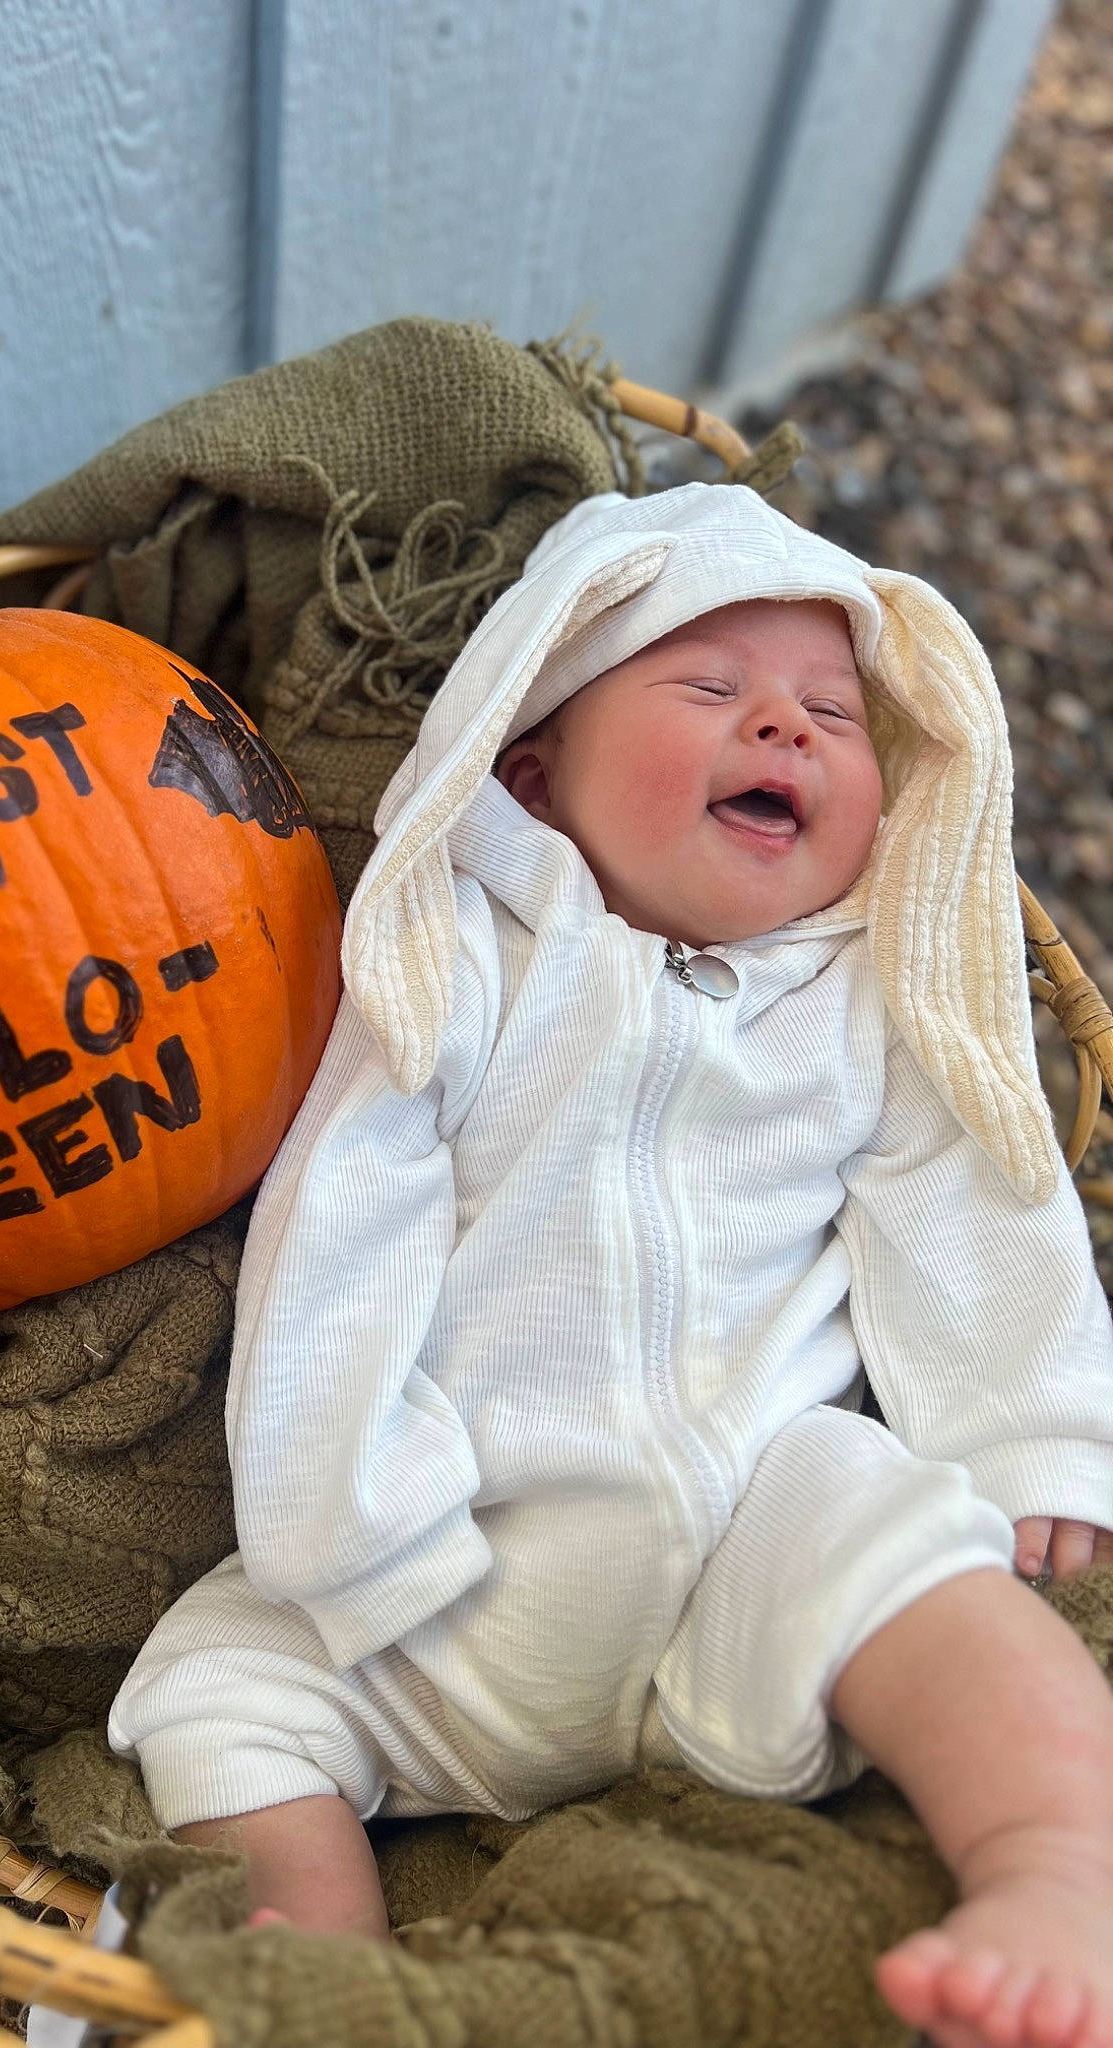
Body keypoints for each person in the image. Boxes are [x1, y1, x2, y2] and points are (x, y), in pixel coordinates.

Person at [108, 483, 1113, 2048]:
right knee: (224, 1692)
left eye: (833, 715)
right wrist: (351, 1528)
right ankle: (312, 1971)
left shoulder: (869, 996)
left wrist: (1030, 1437)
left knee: (931, 1570)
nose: (782, 727)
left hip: (746, 1567)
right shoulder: (462, 965)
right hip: (442, 1586)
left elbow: (979, 1189)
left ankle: (1058, 1868)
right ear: (529, 768)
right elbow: (343, 1227)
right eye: (708, 690)